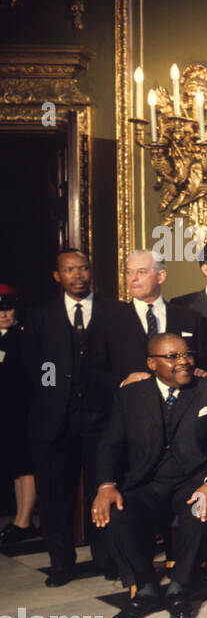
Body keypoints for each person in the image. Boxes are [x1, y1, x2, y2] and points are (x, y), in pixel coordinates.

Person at [91, 333, 207, 618]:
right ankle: (145, 589)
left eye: (187, 355)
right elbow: (111, 444)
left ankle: (179, 589)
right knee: (117, 513)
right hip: (147, 483)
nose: (184, 362)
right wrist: (106, 486)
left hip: (194, 483)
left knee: (200, 512)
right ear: (151, 363)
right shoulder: (130, 395)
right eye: (173, 357)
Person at [22, 250, 129, 585]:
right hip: (55, 420)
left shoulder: (117, 311)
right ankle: (61, 563)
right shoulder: (40, 316)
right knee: (55, 496)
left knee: (105, 487)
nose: (78, 275)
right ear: (58, 276)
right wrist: (56, 391)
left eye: (83, 268)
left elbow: (125, 362)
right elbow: (33, 368)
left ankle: (108, 559)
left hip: (104, 417)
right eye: (69, 270)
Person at [119, 248, 207, 376]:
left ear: (161, 276)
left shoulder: (190, 319)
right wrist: (122, 383)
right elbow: (94, 369)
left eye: (142, 272)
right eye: (129, 272)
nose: (133, 278)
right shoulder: (111, 319)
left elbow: (205, 363)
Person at [0, 285, 38, 552]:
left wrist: (48, 393)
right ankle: (19, 518)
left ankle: (24, 521)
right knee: (16, 466)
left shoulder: (24, 336)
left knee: (26, 465)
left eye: (8, 308)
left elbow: (47, 369)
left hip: (26, 409)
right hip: (5, 412)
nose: (3, 314)